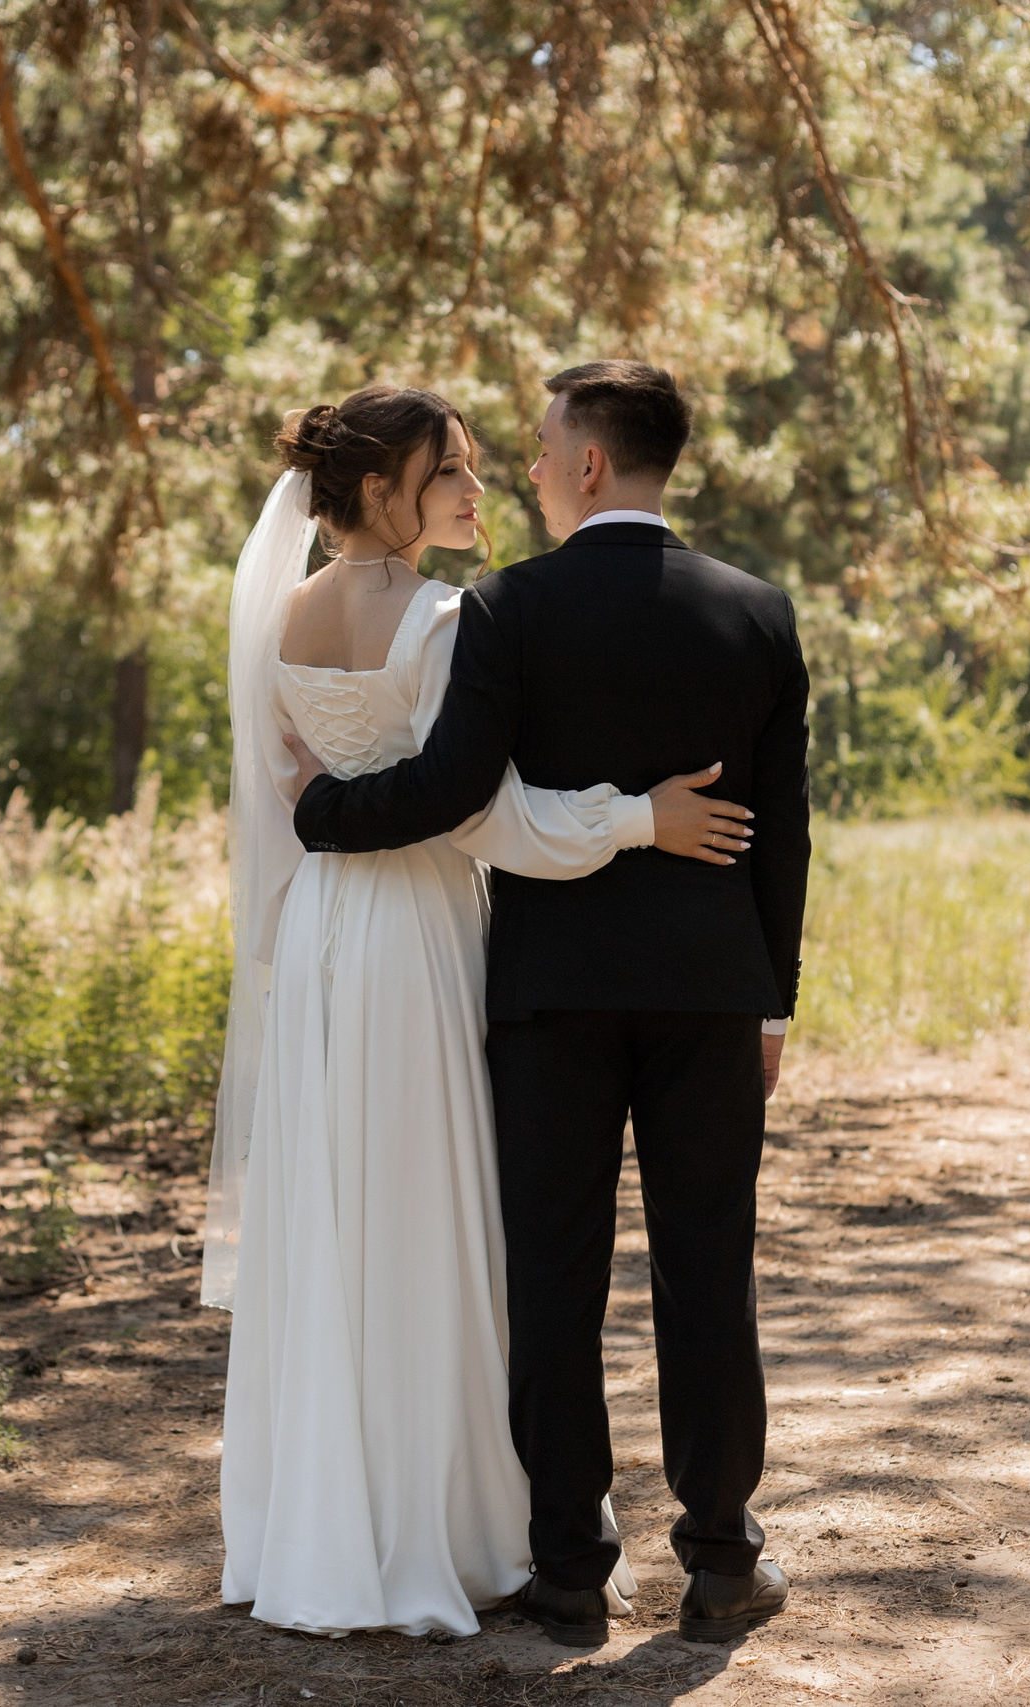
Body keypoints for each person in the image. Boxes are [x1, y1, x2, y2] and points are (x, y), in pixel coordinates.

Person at [207, 384, 754, 1639]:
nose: (474, 490)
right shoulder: (448, 617)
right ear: (381, 492)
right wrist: (638, 818)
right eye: (443, 473)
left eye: (471, 468)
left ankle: (326, 1527)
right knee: (433, 1221)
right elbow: (485, 815)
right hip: (416, 933)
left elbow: (292, 794)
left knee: (339, 1219)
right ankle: (445, 1532)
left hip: (320, 935)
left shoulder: (279, 613)